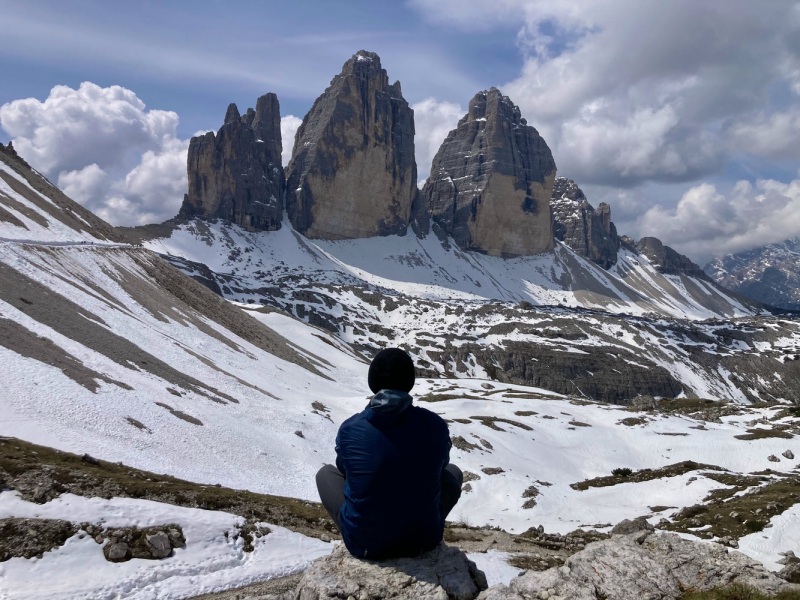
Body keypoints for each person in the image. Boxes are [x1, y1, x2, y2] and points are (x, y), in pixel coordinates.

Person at [315, 348, 462, 559]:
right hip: (424, 540)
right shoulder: (435, 425)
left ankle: (363, 527)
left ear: (372, 383)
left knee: (325, 474)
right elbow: (442, 464)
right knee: (453, 472)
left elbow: (344, 469)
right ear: (409, 383)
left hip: (365, 545)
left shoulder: (350, 428)